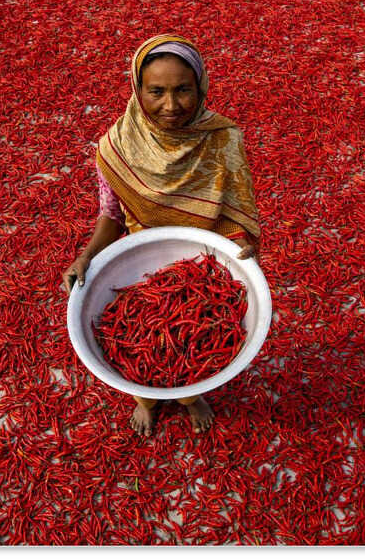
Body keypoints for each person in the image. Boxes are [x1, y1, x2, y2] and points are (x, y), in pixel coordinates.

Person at [63, 33, 262, 437]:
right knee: (140, 347)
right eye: (156, 91)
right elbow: (111, 214)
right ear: (137, 89)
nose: (171, 105)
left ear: (201, 87)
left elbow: (235, 205)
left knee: (196, 343)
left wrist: (243, 241)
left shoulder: (223, 139)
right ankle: (146, 401)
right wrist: (86, 255)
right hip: (143, 262)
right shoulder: (117, 146)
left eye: (183, 90)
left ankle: (190, 398)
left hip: (206, 262)